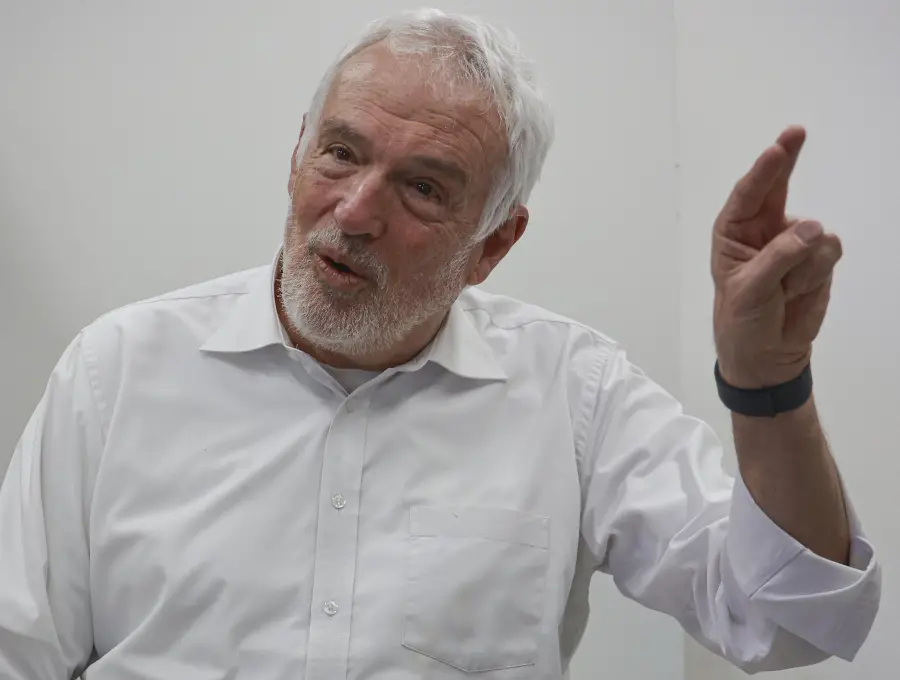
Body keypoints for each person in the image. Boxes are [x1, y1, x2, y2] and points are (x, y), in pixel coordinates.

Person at [0, 8, 881, 679]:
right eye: (340, 154)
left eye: (421, 188)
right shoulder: (118, 369)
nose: (353, 213)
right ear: (295, 156)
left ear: (494, 246)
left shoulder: (575, 393)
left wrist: (769, 385)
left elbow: (791, 622)